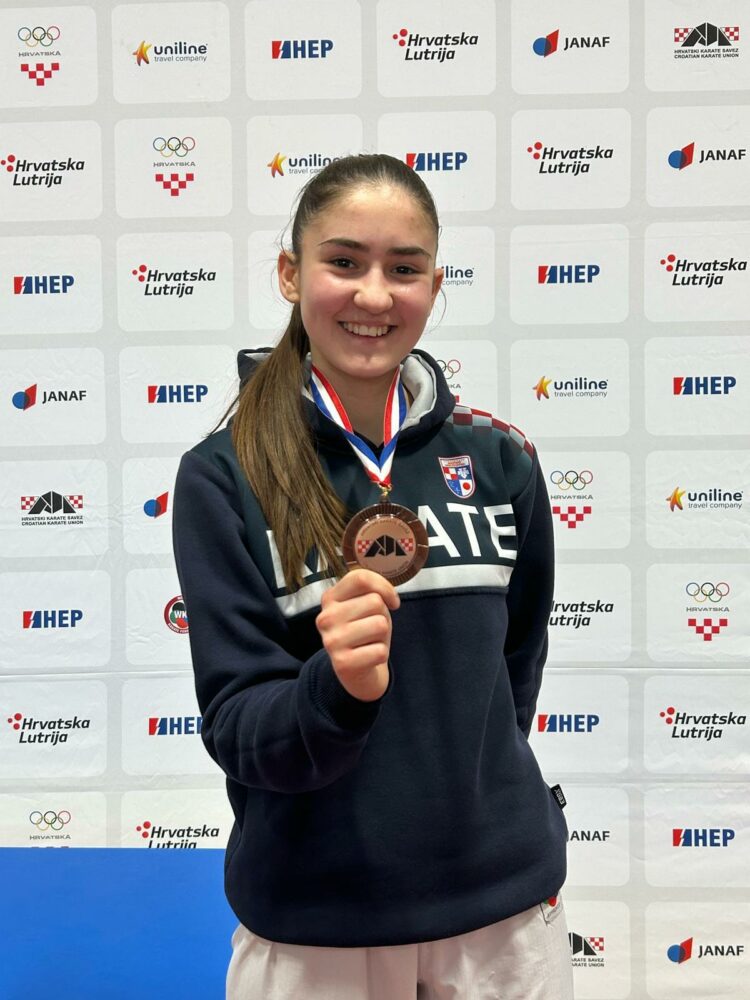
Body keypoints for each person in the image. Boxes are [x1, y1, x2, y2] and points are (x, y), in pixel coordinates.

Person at [172, 153, 572, 1000]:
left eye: (404, 269)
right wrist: (337, 692)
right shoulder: (224, 477)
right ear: (291, 274)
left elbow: (513, 673)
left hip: (501, 918)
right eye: (345, 262)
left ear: (435, 284)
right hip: (318, 923)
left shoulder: (500, 459)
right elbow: (237, 727)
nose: (375, 295)